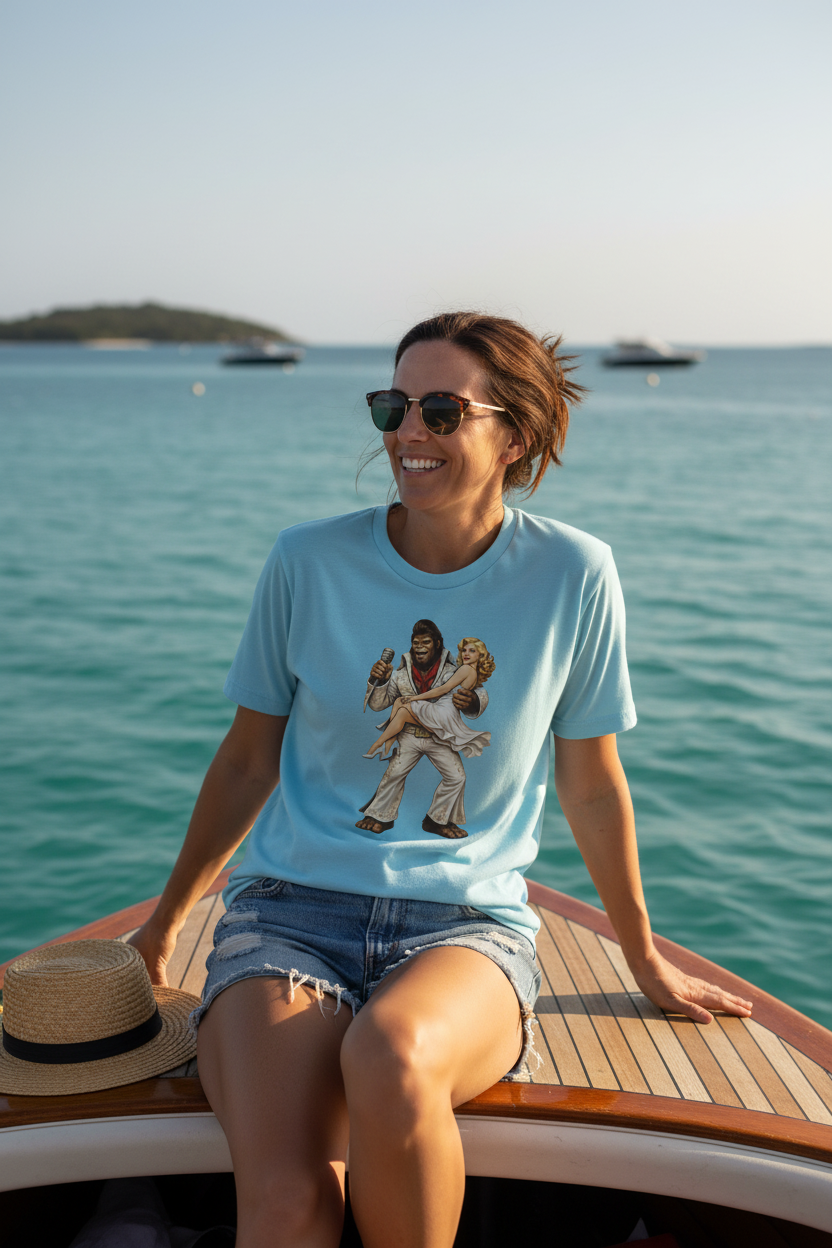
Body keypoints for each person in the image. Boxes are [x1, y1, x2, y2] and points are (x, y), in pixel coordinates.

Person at [131, 311, 753, 1248]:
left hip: (465, 926)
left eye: (440, 410)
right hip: (288, 916)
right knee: (289, 1198)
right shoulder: (306, 561)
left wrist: (644, 957)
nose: (407, 431)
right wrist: (164, 923)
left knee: (391, 1056)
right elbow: (249, 758)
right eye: (393, 406)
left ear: (516, 436)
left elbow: (592, 785)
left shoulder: (575, 574)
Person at [356, 619, 486, 838]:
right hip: (410, 735)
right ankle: (379, 816)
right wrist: (379, 681)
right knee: (394, 774)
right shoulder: (399, 675)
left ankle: (437, 820)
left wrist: (473, 701)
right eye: (416, 643)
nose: (419, 647)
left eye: (425, 642)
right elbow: (378, 705)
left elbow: (478, 689)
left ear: (437, 644)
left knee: (456, 778)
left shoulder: (453, 670)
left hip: (439, 737)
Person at [364, 637, 494, 760]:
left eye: (472, 651)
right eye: (464, 650)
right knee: (401, 709)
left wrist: (414, 698)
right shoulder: (473, 673)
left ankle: (378, 746)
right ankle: (385, 748)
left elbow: (442, 690)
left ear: (480, 655)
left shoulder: (465, 669)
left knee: (401, 705)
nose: (466, 653)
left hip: (443, 711)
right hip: (447, 713)